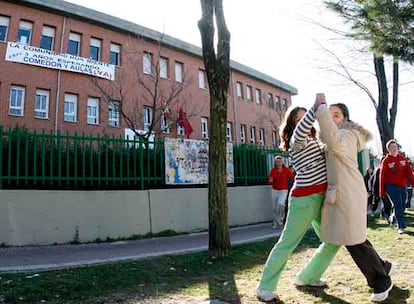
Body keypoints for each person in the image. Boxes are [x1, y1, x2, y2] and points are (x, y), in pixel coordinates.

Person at [303, 97, 393, 302]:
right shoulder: (337, 136)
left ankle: (381, 282)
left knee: (353, 241)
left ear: (345, 119)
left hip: (349, 193)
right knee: (354, 238)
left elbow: (333, 142)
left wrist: (322, 109)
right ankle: (384, 266)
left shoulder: (347, 135)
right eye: (329, 115)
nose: (331, 118)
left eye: (336, 115)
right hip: (342, 195)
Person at [256, 106, 340, 302]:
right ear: (293, 124)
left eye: (306, 119)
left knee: (333, 240)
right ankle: (264, 287)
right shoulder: (297, 140)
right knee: (287, 244)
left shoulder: (315, 140)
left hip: (321, 197)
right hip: (304, 198)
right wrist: (315, 108)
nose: (304, 123)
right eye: (299, 120)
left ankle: (307, 277)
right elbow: (302, 129)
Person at [379, 139, 414, 234]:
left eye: (395, 147)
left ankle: (393, 217)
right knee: (398, 204)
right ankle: (401, 226)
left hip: (402, 186)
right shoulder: (386, 161)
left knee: (402, 206)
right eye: (392, 147)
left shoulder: (402, 159)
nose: (394, 149)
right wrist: (381, 191)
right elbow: (381, 176)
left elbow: (409, 172)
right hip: (391, 187)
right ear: (388, 149)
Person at [268, 155, 295, 228]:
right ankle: (275, 222)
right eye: (277, 162)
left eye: (280, 161)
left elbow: (292, 177)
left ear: (282, 162)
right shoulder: (273, 170)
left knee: (281, 204)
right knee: (274, 208)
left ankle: (281, 220)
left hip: (283, 190)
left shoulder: (286, 170)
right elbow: (270, 180)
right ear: (275, 163)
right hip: (275, 190)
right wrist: (271, 180)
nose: (278, 163)